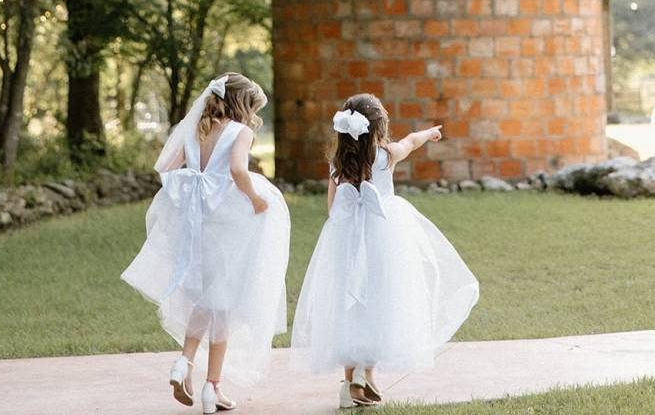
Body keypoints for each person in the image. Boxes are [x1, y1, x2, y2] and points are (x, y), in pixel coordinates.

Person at [291, 93, 479, 408]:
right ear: (379, 128)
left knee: (350, 302)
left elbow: (332, 208)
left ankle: (352, 381)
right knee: (379, 301)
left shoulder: (337, 162)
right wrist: (430, 133)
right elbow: (411, 141)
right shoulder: (386, 155)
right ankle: (366, 374)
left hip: (347, 239)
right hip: (384, 237)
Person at [121, 73, 290, 413]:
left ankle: (184, 362)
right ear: (243, 104)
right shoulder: (241, 132)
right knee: (222, 302)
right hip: (228, 221)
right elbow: (239, 171)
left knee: (205, 296)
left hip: (198, 221)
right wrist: (256, 200)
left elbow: (167, 169)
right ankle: (212, 389)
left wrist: (196, 188)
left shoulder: (197, 128)